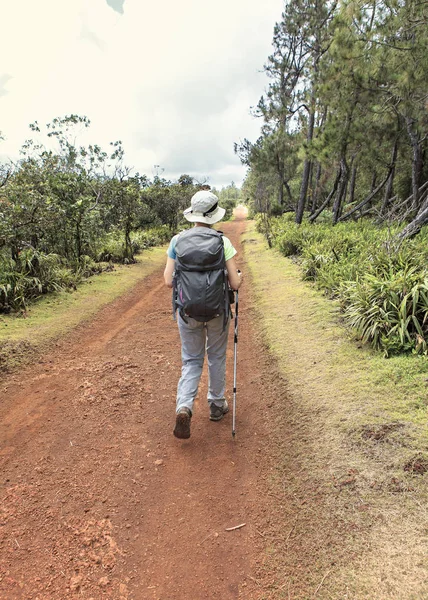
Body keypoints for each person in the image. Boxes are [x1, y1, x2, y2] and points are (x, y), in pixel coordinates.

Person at [164, 189, 242, 439]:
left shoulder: (177, 241)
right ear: (214, 215)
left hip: (187, 312)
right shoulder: (222, 242)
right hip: (218, 311)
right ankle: (216, 406)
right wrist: (240, 277)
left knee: (191, 359)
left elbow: (168, 281)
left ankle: (184, 406)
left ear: (194, 214)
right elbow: (234, 283)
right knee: (216, 356)